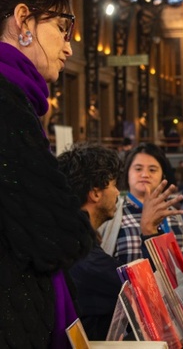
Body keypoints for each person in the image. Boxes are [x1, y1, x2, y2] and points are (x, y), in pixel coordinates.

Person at [0, 0, 93, 348]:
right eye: (62, 28)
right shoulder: (5, 101)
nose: (68, 48)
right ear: (23, 19)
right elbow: (54, 233)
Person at [57, 143, 122, 340]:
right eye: (113, 184)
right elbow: (142, 291)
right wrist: (150, 232)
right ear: (95, 193)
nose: (118, 192)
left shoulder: (70, 239)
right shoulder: (83, 255)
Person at [104, 143, 183, 272]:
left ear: (162, 175)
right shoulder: (112, 212)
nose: (145, 174)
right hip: (128, 290)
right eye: (138, 169)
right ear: (127, 173)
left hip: (174, 291)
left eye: (152, 170)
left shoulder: (172, 214)